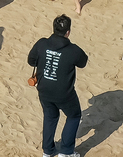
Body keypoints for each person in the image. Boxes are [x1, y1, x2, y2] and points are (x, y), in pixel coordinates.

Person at [27, 14, 88, 157]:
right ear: (68, 32)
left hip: (44, 89)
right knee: (74, 115)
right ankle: (66, 152)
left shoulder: (42, 43)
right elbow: (83, 62)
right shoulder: (73, 50)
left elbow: (31, 60)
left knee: (50, 116)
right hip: (64, 93)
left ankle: (47, 151)